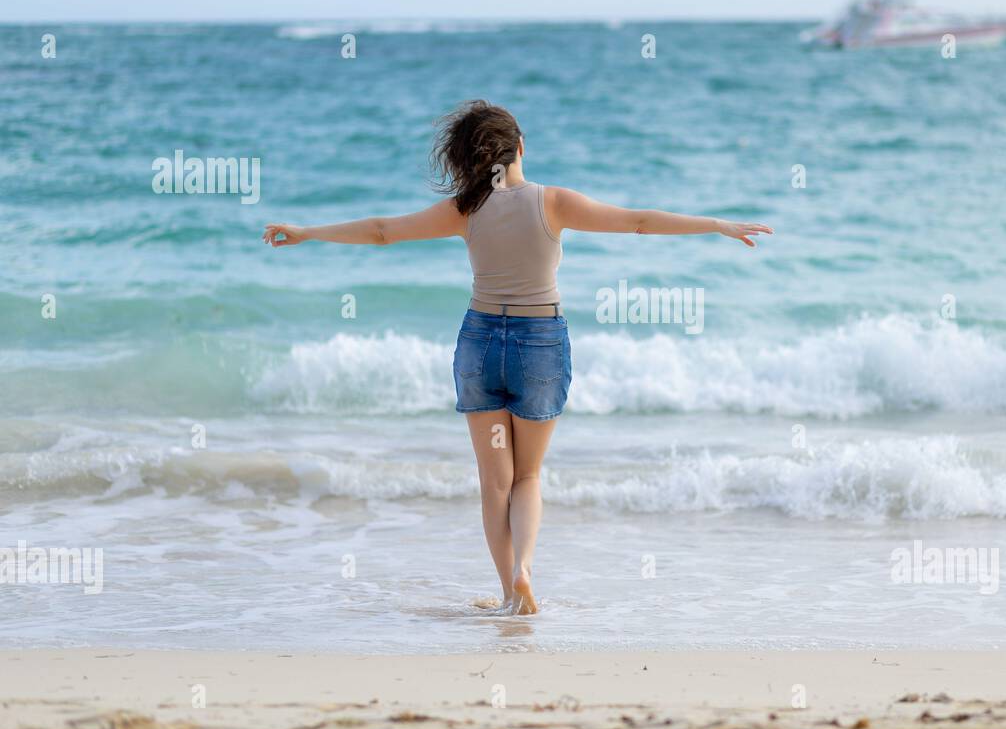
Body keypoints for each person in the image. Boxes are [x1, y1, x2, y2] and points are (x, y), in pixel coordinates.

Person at [262, 100, 772, 613]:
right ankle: (526, 569)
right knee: (527, 477)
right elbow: (637, 221)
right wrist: (715, 224)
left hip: (481, 344)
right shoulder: (554, 203)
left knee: (495, 481)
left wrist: (307, 231)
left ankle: (510, 591)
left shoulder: (465, 209)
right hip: (540, 344)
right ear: (521, 146)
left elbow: (381, 231)